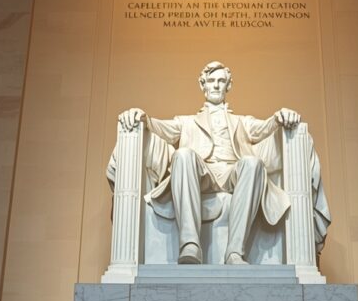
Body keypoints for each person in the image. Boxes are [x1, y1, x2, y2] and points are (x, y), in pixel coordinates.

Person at [118, 61, 301, 265]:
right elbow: (161, 127)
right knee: (183, 154)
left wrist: (279, 116)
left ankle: (235, 252)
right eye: (211, 81)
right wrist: (143, 117)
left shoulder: (242, 121)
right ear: (202, 85)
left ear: (228, 86)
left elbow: (265, 127)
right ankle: (190, 245)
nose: (216, 85)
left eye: (221, 81)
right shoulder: (186, 121)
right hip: (202, 174)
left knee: (253, 163)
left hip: (234, 173)